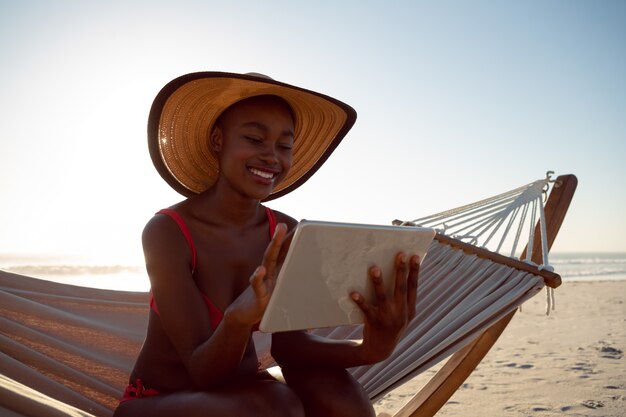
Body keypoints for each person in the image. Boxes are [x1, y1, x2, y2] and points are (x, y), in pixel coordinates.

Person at [113, 72, 420, 417]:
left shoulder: (285, 230)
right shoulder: (168, 232)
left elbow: (291, 348)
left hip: (245, 395)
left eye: (284, 146)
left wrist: (370, 350)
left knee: (341, 395)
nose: (272, 156)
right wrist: (237, 319)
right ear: (218, 140)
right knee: (277, 407)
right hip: (158, 401)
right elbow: (202, 372)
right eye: (255, 138)